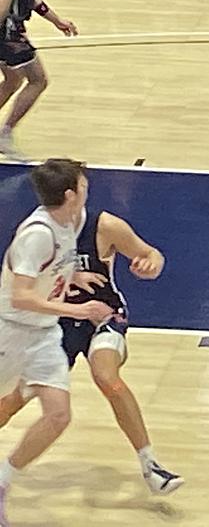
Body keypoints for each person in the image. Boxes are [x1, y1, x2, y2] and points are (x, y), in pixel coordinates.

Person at [0, 208, 184, 496]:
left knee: (105, 375)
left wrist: (150, 265)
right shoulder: (38, 230)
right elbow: (24, 281)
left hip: (104, 315)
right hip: (57, 323)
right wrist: (71, 276)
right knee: (12, 399)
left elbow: (152, 254)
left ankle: (151, 466)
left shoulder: (105, 225)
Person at [0, 159, 114, 523]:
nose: (87, 187)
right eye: (83, 184)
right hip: (11, 330)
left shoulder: (71, 221)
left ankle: (2, 480)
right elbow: (20, 296)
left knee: (58, 414)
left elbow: (52, 268)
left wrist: (71, 276)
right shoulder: (37, 234)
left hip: (44, 332)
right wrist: (79, 311)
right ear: (70, 194)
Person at [0, 0, 78, 162]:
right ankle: (6, 133)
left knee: (12, 80)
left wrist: (56, 20)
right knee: (37, 79)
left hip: (9, 26)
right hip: (6, 29)